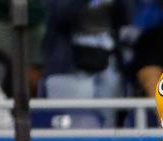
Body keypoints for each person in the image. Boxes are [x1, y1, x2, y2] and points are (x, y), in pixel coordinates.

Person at [41, 0, 129, 128]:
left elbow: (127, 17)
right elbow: (58, 14)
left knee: (109, 128)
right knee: (76, 128)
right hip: (68, 66)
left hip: (109, 61)